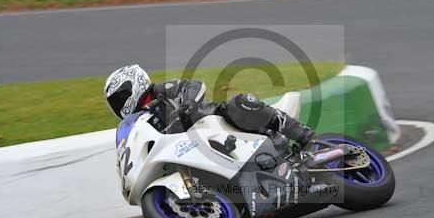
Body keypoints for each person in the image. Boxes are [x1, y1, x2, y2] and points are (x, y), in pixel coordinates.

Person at [104, 64, 315, 146]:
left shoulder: (161, 90)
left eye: (120, 97)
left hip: (215, 121)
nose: (119, 105)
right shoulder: (141, 121)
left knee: (240, 103)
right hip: (195, 146)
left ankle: (304, 136)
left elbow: (194, 85)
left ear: (134, 84)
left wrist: (187, 105)